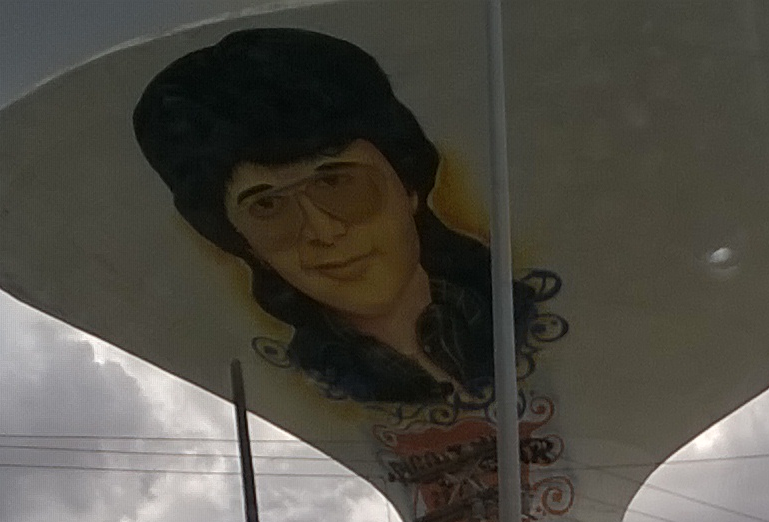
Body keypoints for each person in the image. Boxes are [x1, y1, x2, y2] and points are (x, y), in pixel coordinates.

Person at [133, 27, 542, 406]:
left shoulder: (522, 314)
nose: (323, 231)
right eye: (268, 206)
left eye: (336, 182)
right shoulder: (307, 380)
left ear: (408, 185)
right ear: (246, 244)